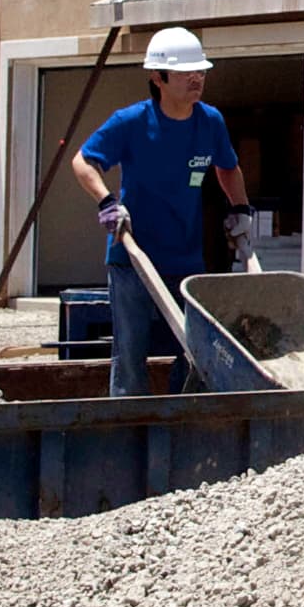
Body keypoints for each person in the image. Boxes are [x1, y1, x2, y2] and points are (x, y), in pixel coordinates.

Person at [70, 25, 247, 396]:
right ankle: (129, 429)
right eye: (185, 72)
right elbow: (84, 161)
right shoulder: (132, 122)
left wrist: (241, 209)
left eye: (200, 71)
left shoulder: (209, 121)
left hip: (185, 260)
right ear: (158, 78)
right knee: (131, 355)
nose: (196, 78)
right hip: (133, 259)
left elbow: (227, 167)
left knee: (194, 350)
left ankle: (184, 425)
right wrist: (107, 203)